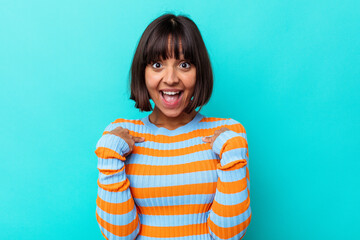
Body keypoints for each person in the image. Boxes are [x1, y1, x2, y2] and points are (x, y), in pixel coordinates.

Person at [95, 13, 251, 240]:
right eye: (157, 64)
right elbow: (119, 235)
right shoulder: (119, 136)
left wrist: (232, 149)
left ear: (199, 73)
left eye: (184, 65)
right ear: (143, 72)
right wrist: (110, 153)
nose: (170, 78)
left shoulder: (228, 133)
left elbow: (228, 234)